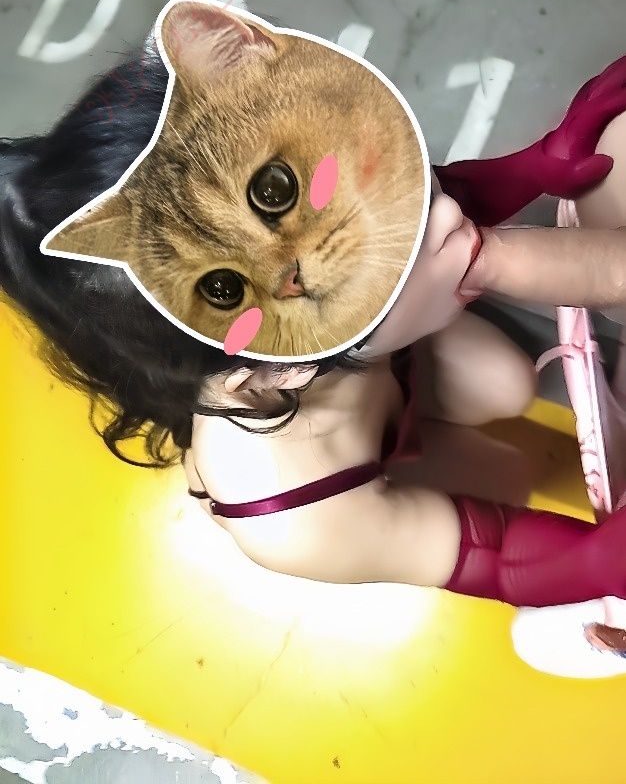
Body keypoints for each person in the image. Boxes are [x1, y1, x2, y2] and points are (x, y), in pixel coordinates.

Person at [3, 42, 626, 612]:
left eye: (281, 186)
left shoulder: (299, 302)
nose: (439, 213)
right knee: (509, 476)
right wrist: (594, 562)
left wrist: (536, 166)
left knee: (506, 383)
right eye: (392, 267)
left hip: (382, 368)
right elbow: (495, 556)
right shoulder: (292, 515)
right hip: (349, 451)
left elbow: (437, 199)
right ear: (278, 370)